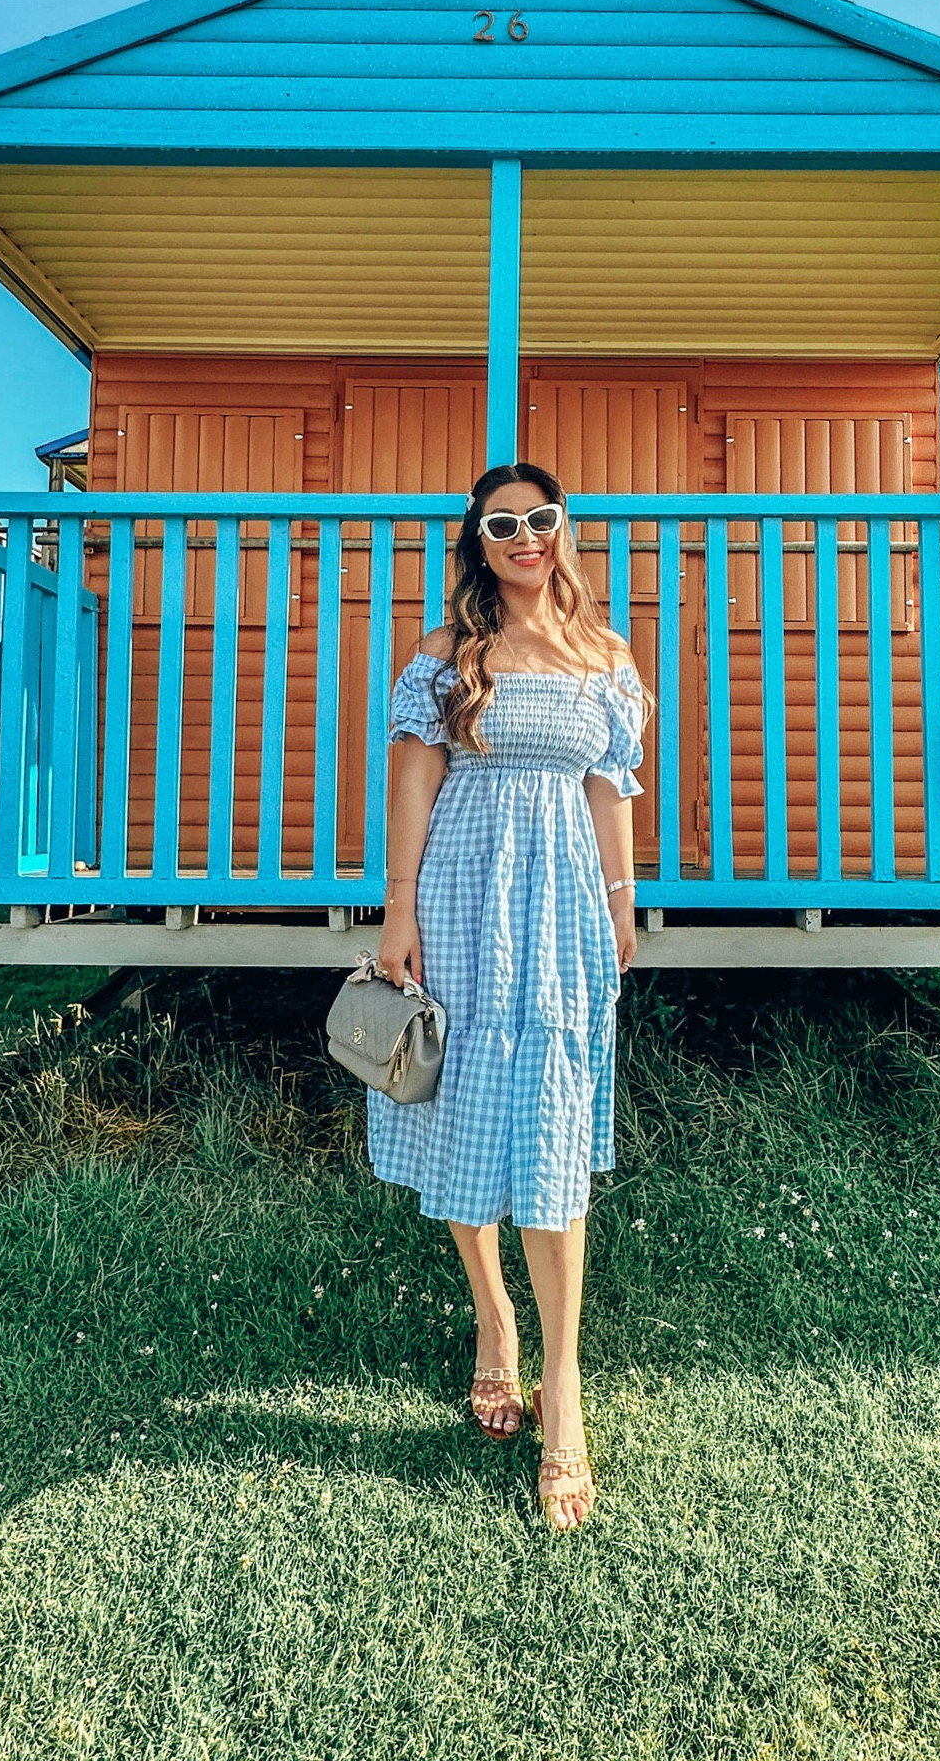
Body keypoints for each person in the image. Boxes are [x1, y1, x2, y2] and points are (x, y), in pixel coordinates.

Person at [373, 461, 652, 1531]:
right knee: (461, 1110)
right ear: (478, 545)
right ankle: (494, 1319)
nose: (525, 536)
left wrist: (623, 901)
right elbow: (413, 781)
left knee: (550, 1124)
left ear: (562, 528)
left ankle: (562, 1384)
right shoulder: (448, 652)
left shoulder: (605, 655)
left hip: (565, 900)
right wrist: (397, 912)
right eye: (503, 525)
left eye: (540, 518)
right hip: (458, 892)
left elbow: (609, 788)